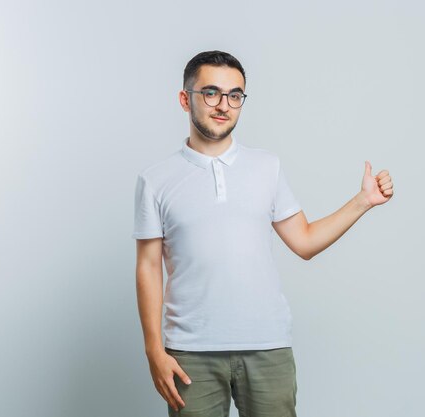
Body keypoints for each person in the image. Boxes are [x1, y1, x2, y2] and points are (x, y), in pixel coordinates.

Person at [132, 50, 393, 417]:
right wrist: (153, 350)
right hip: (190, 353)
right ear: (184, 98)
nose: (224, 105)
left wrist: (363, 201)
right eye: (211, 92)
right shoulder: (155, 180)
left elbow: (303, 241)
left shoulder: (266, 167)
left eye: (235, 95)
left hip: (268, 346)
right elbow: (147, 268)